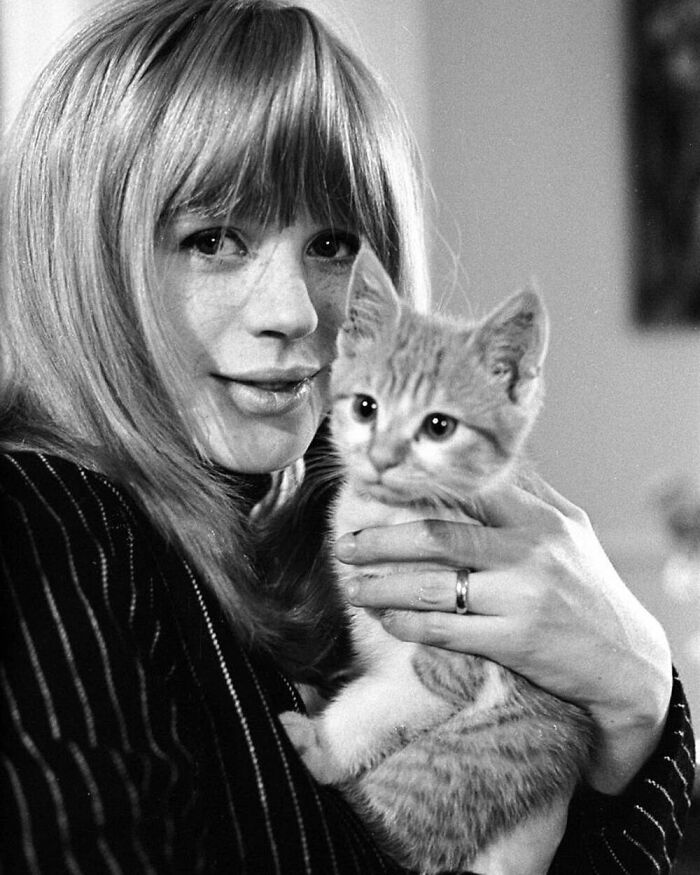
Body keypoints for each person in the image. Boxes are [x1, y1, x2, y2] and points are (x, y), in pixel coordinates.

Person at [0, 0, 694, 872]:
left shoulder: (310, 555)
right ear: (79, 258)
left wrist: (635, 694)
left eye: (331, 242)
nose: (295, 314)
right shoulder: (40, 525)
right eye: (214, 238)